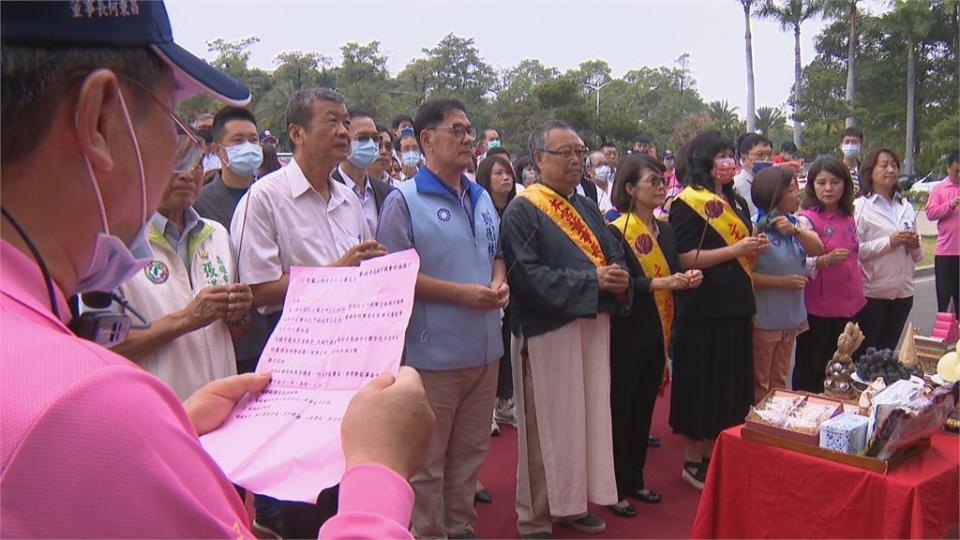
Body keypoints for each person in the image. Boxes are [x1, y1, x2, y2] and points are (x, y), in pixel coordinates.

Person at [0, 2, 430, 538]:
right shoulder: (87, 406)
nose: (183, 156)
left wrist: (176, 421)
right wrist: (378, 473)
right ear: (101, 120)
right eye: (174, 122)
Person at [232, 87, 387, 538]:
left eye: (346, 121)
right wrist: (337, 271)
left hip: (351, 355)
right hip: (294, 357)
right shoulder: (264, 199)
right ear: (296, 133)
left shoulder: (348, 200)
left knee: (345, 476)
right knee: (301, 490)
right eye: (333, 122)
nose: (345, 131)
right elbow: (259, 290)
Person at [376, 99, 507, 538]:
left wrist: (498, 280)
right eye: (457, 130)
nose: (468, 138)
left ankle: (461, 526)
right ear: (427, 139)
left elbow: (497, 253)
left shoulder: (481, 195)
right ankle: (430, 532)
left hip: (485, 349)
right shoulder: (404, 200)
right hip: (433, 355)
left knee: (469, 454)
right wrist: (461, 295)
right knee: (429, 463)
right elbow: (394, 274)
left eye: (470, 130)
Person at [501, 119, 631, 537]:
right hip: (547, 331)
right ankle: (535, 516)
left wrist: (620, 275)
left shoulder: (587, 204)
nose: (576, 159)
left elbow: (613, 253)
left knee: (585, 420)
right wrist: (591, 281)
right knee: (546, 428)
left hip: (589, 325)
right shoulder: (523, 209)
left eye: (579, 151)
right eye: (565, 153)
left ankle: (573, 503)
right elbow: (527, 277)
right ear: (538, 159)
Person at [669, 130, 768, 490]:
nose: (728, 162)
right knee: (700, 381)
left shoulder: (737, 202)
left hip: (736, 304)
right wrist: (735, 250)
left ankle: (716, 451)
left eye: (731, 154)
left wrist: (753, 248)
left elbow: (742, 252)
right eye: (721, 155)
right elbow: (683, 257)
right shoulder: (685, 203)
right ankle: (692, 459)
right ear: (705, 161)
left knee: (729, 384)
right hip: (703, 306)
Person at [606, 154, 703, 517]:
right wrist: (661, 282)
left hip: (660, 330)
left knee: (645, 407)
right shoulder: (616, 230)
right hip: (628, 330)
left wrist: (687, 279)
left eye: (663, 181)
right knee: (622, 409)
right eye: (653, 182)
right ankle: (614, 485)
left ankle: (635, 479)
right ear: (630, 188)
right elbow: (619, 283)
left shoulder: (666, 229)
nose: (662, 187)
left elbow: (675, 270)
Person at [107, 163, 253, 400]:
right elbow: (103, 348)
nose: (187, 175)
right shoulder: (116, 245)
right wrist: (187, 318)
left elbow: (231, 332)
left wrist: (239, 313)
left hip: (223, 412)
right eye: (175, 163)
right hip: (159, 415)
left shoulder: (218, 235)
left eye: (195, 163)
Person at [193, 106, 268, 375]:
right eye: (238, 141)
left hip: (271, 337)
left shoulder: (273, 197)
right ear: (217, 150)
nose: (248, 146)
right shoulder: (200, 205)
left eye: (253, 139)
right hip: (225, 343)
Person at [750, 166, 823, 402]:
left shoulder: (794, 224)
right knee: (760, 381)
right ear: (774, 194)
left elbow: (818, 248)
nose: (797, 193)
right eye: (791, 189)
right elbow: (746, 277)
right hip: (765, 319)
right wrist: (781, 282)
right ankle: (757, 427)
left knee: (780, 378)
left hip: (791, 317)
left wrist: (795, 231)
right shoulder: (756, 227)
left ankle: (775, 425)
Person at [793, 156, 866, 393]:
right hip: (819, 307)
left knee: (841, 367)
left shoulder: (848, 216)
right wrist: (825, 260)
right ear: (812, 185)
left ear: (844, 184)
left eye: (834, 182)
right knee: (812, 367)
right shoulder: (806, 220)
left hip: (850, 303)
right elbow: (799, 262)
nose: (828, 188)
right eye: (821, 182)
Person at [854, 148, 922, 355]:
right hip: (872, 293)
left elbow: (919, 256)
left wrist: (913, 244)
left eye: (894, 165)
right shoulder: (860, 206)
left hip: (903, 293)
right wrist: (890, 242)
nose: (890, 170)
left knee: (887, 356)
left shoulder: (906, 206)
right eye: (884, 165)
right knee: (866, 357)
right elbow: (855, 252)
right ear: (870, 171)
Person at [476, 155, 520, 433]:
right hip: (488, 286)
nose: (506, 178)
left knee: (508, 345)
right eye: (499, 173)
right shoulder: (480, 210)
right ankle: (487, 407)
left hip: (513, 288)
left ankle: (505, 402)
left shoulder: (518, 209)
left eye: (509, 173)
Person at [331, 108, 394, 234]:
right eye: (363, 138)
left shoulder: (387, 193)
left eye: (375, 138)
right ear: (345, 139)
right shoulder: (328, 191)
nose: (370, 144)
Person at [926, 150, 960, 316]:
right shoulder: (939, 189)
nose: (959, 175)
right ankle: (946, 337)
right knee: (945, 300)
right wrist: (950, 205)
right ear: (948, 168)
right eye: (956, 171)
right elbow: (930, 213)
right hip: (946, 253)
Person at [733, 133, 774, 222]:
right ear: (744, 158)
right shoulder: (737, 185)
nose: (766, 159)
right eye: (760, 155)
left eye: (769, 155)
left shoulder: (775, 183)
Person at [840, 126, 865, 196]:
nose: (850, 145)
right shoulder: (833, 169)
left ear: (861, 147)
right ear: (841, 146)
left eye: (854, 142)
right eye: (847, 142)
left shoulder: (866, 172)